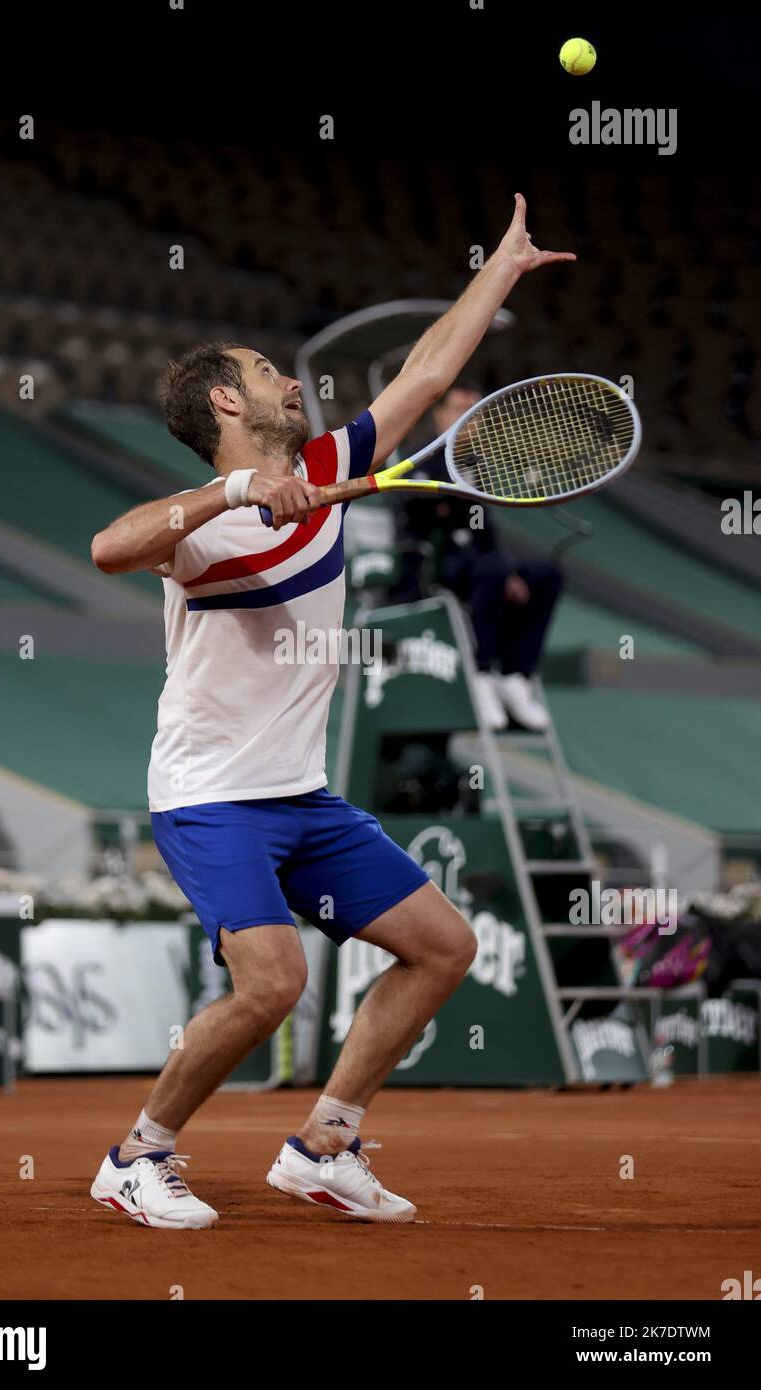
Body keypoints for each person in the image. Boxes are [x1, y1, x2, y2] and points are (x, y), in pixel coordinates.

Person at [89, 193, 574, 1230]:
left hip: (299, 795)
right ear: (224, 401)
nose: (287, 378)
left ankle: (323, 1141)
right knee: (272, 982)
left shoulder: (326, 468)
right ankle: (137, 1153)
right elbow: (110, 546)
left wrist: (498, 267)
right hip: (209, 796)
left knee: (442, 944)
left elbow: (426, 374)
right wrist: (232, 496)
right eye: (266, 370)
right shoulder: (199, 531)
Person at [391, 385, 563, 731]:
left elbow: (484, 532)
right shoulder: (418, 457)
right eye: (458, 409)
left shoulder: (476, 468)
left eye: (474, 412)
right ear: (439, 414)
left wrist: (511, 571)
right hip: (430, 567)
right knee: (493, 570)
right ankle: (480, 672)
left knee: (546, 574)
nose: (466, 420)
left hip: (480, 566)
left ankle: (516, 674)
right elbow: (422, 514)